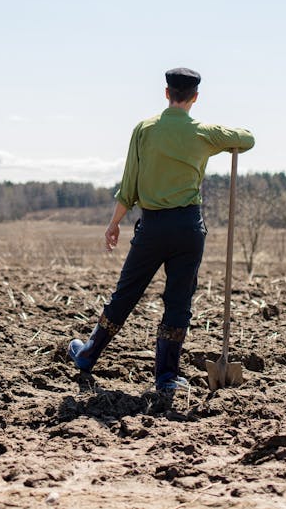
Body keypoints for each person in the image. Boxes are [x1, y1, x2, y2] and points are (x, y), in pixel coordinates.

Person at [68, 67, 255, 392]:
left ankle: (87, 355)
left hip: (152, 227)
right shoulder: (205, 133)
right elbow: (247, 139)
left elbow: (129, 184)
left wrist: (114, 223)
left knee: (125, 294)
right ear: (195, 97)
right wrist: (229, 134)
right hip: (188, 228)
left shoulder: (144, 130)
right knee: (179, 301)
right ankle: (167, 377)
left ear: (167, 93)